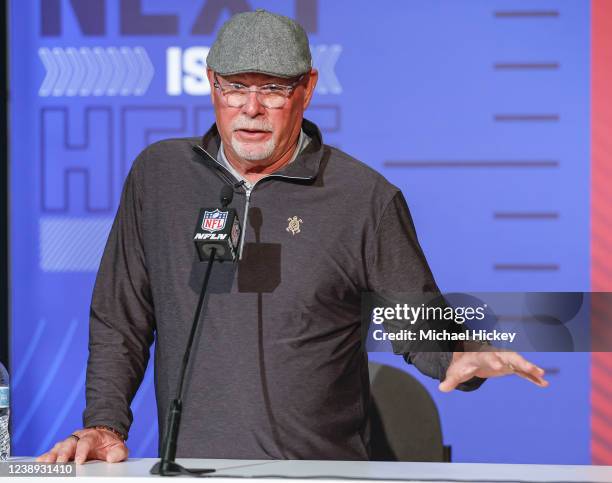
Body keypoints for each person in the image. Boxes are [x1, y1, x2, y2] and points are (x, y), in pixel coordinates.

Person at [38, 9, 547, 465]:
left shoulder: (362, 197)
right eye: (235, 86)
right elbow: (120, 315)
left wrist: (461, 353)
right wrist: (105, 422)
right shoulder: (160, 176)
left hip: (322, 473)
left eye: (274, 89)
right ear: (212, 83)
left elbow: (413, 317)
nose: (251, 108)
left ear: (307, 88)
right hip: (190, 471)